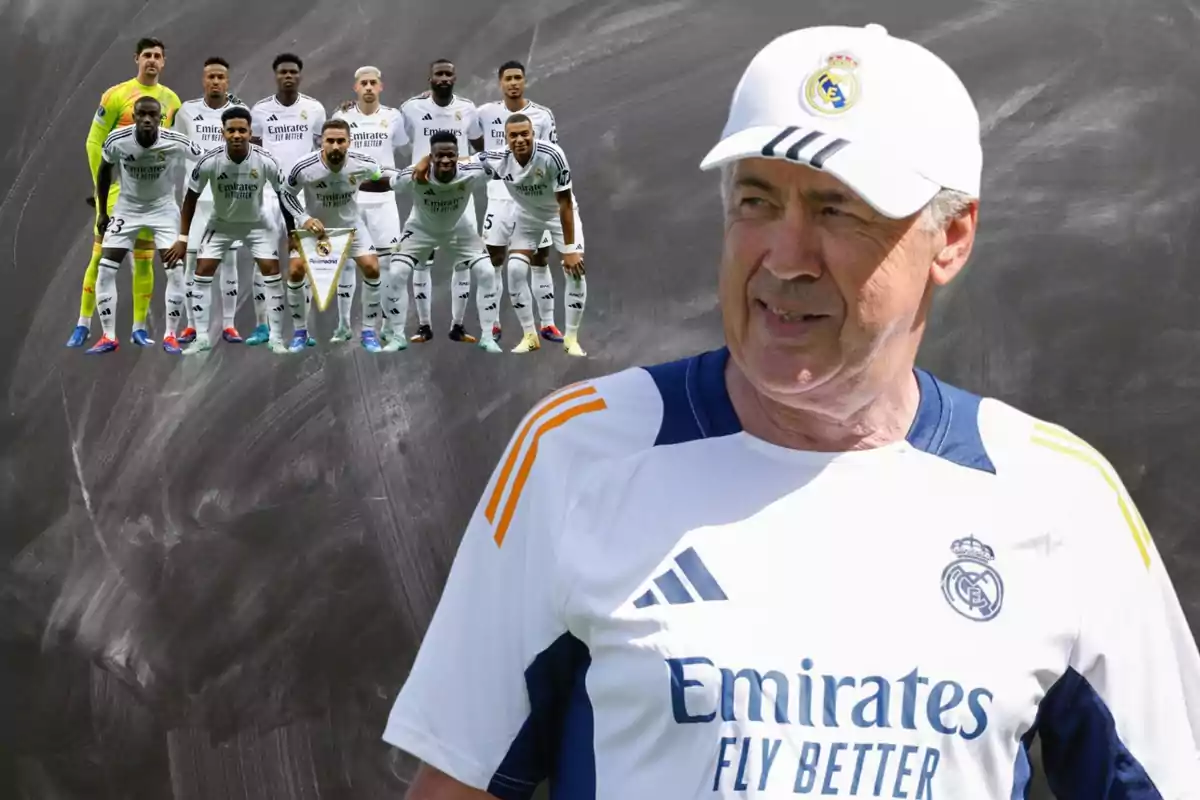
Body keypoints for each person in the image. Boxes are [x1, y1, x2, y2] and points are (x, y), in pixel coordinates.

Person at [381, 23, 1200, 799]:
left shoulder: (1059, 499)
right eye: (759, 202)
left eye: (839, 210)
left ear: (951, 239)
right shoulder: (581, 453)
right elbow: (456, 784)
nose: (785, 257)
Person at [67, 36, 182, 350]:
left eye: (158, 55)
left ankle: (139, 328)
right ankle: (83, 324)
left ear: (164, 61)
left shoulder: (172, 100)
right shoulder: (116, 95)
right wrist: (102, 188)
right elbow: (94, 141)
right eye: (147, 55)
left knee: (144, 261)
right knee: (100, 257)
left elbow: (172, 148)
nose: (152, 61)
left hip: (153, 196)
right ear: (136, 59)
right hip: (120, 192)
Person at [163, 106, 290, 355]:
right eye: (231, 130)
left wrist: (294, 234)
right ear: (223, 133)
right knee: (202, 270)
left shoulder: (265, 160)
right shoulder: (209, 161)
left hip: (257, 224)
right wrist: (182, 238)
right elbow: (190, 199)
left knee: (271, 273)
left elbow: (284, 196)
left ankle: (275, 337)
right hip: (220, 224)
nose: (236, 135)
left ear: (250, 132)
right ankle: (201, 337)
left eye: (242, 130)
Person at [83, 97, 202, 355]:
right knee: (105, 268)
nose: (147, 119)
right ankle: (108, 336)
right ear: (134, 116)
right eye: (141, 115)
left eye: (152, 115)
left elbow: (204, 160)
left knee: (175, 271)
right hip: (128, 208)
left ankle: (170, 335)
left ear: (160, 118)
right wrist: (102, 212)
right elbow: (105, 172)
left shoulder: (174, 140)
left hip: (163, 209)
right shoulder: (118, 139)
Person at [471, 114, 587, 356]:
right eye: (514, 135)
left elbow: (565, 202)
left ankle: (572, 338)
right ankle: (529, 335)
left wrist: (570, 250)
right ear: (506, 138)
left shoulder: (552, 155)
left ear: (533, 134)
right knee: (514, 270)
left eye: (525, 133)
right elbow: (463, 163)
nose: (520, 139)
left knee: (575, 272)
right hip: (527, 217)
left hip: (558, 214)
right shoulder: (498, 158)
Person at [281, 119, 394, 353]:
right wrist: (303, 220)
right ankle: (300, 332)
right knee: (294, 271)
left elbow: (381, 176)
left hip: (351, 225)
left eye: (340, 141)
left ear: (349, 142)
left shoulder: (364, 163)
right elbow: (287, 194)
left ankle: (368, 332)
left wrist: (404, 179)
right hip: (315, 229)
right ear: (321, 142)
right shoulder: (304, 166)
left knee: (372, 268)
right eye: (330, 141)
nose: (335, 146)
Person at [476, 60, 563, 344]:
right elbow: (468, 132)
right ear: (499, 83)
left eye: (518, 78)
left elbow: (551, 154)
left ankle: (547, 323)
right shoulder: (485, 113)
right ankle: (492, 324)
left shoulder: (542, 115)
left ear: (524, 81)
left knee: (539, 258)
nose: (513, 83)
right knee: (494, 259)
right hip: (500, 193)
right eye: (508, 79)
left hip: (532, 196)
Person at [398, 58, 484, 343]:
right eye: (438, 74)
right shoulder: (411, 108)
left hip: (459, 193)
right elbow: (394, 136)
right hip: (426, 193)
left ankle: (457, 325)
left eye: (448, 73)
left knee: (464, 260)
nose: (444, 78)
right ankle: (424, 326)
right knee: (421, 260)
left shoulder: (468, 109)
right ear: (430, 78)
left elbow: (478, 147)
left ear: (455, 77)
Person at [391, 132, 501, 353]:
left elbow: (495, 160)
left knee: (487, 272)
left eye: (451, 155)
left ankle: (488, 337)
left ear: (458, 155)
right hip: (421, 229)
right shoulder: (414, 174)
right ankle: (397, 336)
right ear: (431, 156)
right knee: (396, 273)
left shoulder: (473, 172)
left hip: (458, 228)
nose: (445, 160)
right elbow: (394, 183)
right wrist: (418, 164)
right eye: (439, 156)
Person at [171, 56, 248, 352]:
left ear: (227, 81)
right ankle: (192, 323)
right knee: (191, 261)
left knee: (227, 260)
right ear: (203, 80)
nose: (215, 81)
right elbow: (177, 152)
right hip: (195, 198)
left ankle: (229, 322)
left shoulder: (239, 112)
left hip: (227, 198)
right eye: (210, 77)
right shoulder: (187, 112)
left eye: (220, 77)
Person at [250, 53, 326, 348]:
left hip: (300, 196)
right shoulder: (259, 111)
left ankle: (301, 330)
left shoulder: (314, 109)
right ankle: (263, 327)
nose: (288, 76)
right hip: (267, 194)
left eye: (293, 72)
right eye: (283, 72)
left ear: (300, 76)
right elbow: (254, 153)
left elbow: (322, 152)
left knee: (299, 265)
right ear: (275, 75)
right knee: (264, 260)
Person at [331, 65, 409, 345]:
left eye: (372, 83)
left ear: (380, 87)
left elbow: (401, 146)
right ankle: (342, 325)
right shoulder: (341, 115)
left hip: (385, 199)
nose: (367, 87)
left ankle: (387, 325)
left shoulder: (393, 117)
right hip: (352, 199)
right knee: (347, 264)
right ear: (355, 88)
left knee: (387, 264)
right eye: (362, 83)